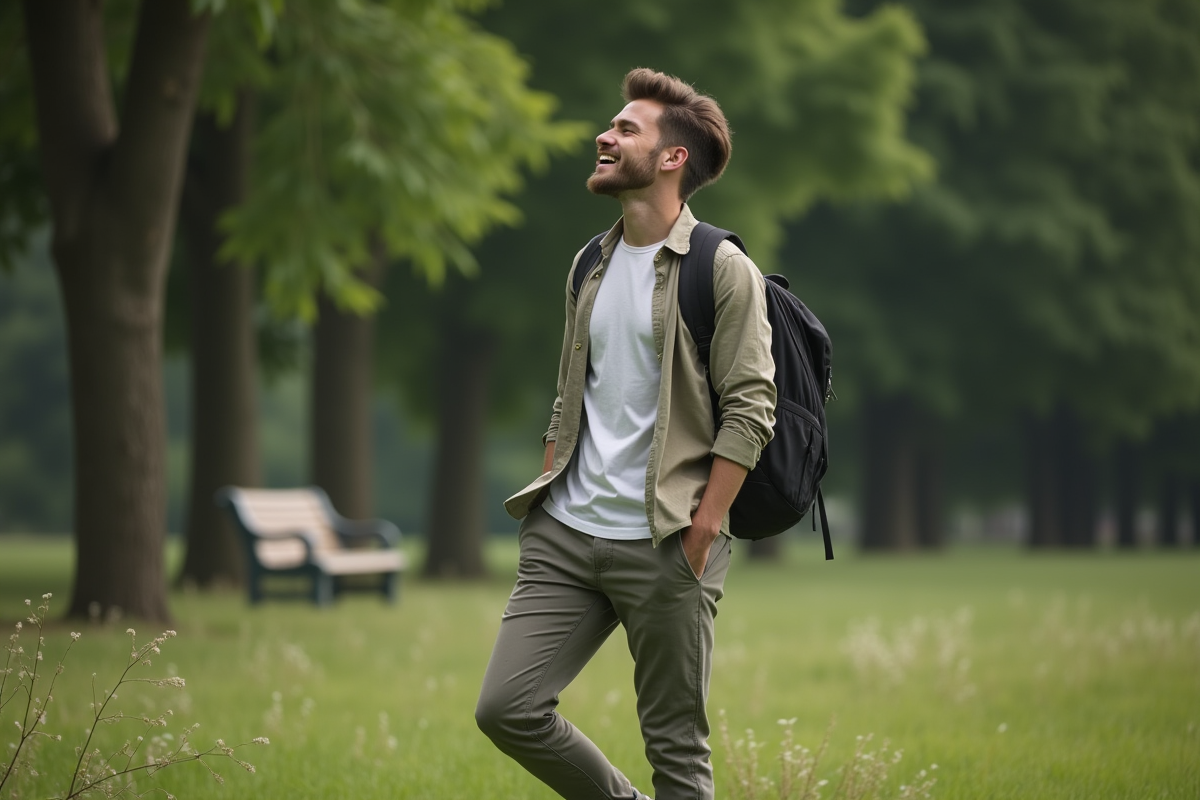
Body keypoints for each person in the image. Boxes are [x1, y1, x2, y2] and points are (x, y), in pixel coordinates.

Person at [475, 67, 776, 800]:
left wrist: (703, 529)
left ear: (672, 158)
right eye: (611, 126)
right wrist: (550, 487)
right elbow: (570, 393)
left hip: (668, 540)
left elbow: (752, 407)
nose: (604, 137)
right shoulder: (589, 262)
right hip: (568, 535)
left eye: (626, 129)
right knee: (507, 709)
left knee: (677, 751)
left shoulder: (723, 268)